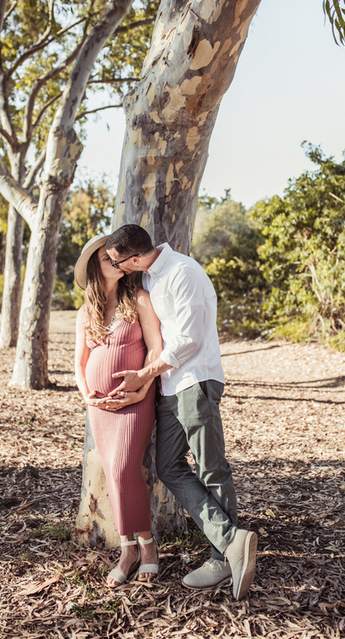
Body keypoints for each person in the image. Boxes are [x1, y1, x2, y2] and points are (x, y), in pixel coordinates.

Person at [104, 224, 258, 601]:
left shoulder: (183, 272)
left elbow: (189, 340)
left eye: (119, 263)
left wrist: (143, 374)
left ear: (135, 258)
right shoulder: (154, 278)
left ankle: (222, 556)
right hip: (171, 387)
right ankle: (231, 538)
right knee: (169, 465)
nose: (118, 269)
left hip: (195, 382)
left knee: (212, 469)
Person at [74, 234, 163, 588]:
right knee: (113, 472)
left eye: (117, 256)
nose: (113, 260)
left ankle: (148, 547)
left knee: (125, 466)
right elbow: (79, 364)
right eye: (105, 256)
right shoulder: (86, 312)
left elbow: (156, 348)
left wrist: (141, 386)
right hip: (100, 407)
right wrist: (88, 397)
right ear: (95, 264)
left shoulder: (139, 299)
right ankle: (128, 549)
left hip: (135, 401)